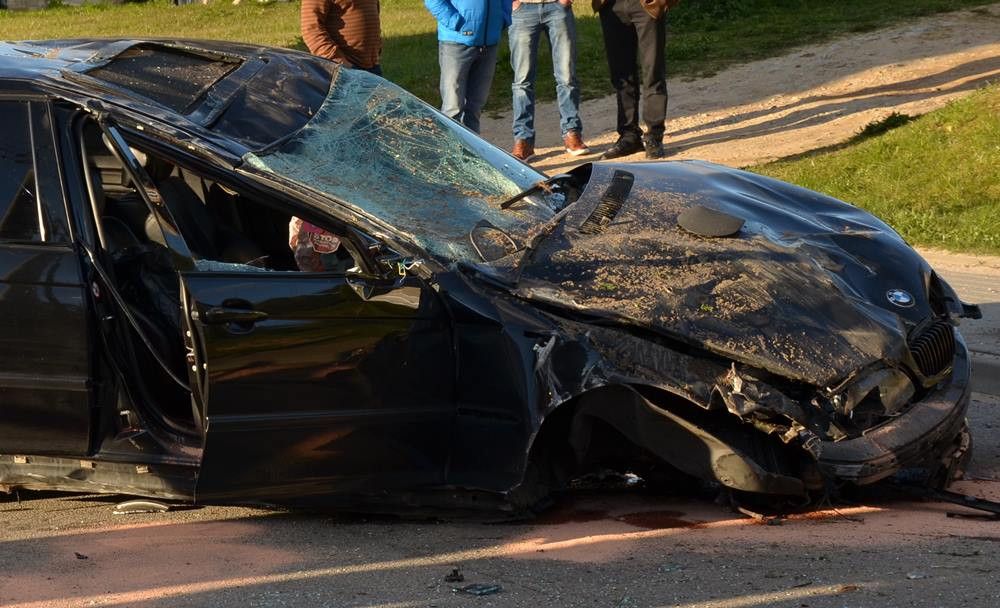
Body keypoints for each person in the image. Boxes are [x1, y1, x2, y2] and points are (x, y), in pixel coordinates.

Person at [593, 0, 675, 159]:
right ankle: (629, 137)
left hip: (647, 6)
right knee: (621, 76)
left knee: (653, 71)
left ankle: (654, 136)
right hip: (610, 7)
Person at [508, 0, 589, 161]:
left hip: (557, 6)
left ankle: (571, 132)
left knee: (566, 76)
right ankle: (523, 139)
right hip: (522, 8)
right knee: (522, 81)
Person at [424, 0, 512, 133]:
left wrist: (503, 18)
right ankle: (450, 151)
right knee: (452, 108)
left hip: (489, 44)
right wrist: (455, 22)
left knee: (475, 108)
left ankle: (471, 151)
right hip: (456, 43)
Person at [301, 0, 383, 75]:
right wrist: (339, 62)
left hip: (372, 66)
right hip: (342, 70)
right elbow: (311, 30)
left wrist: (375, 53)